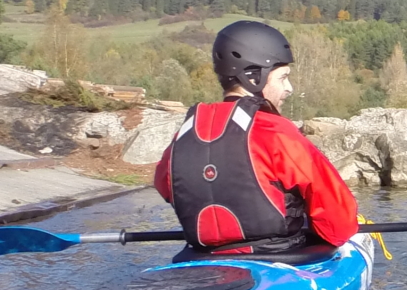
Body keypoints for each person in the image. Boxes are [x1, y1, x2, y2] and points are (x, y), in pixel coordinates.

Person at [154, 20, 359, 256]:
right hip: (279, 258)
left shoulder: (186, 132)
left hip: (201, 257)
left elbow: (165, 184)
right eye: (283, 78)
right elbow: (339, 225)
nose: (289, 88)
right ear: (254, 78)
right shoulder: (275, 131)